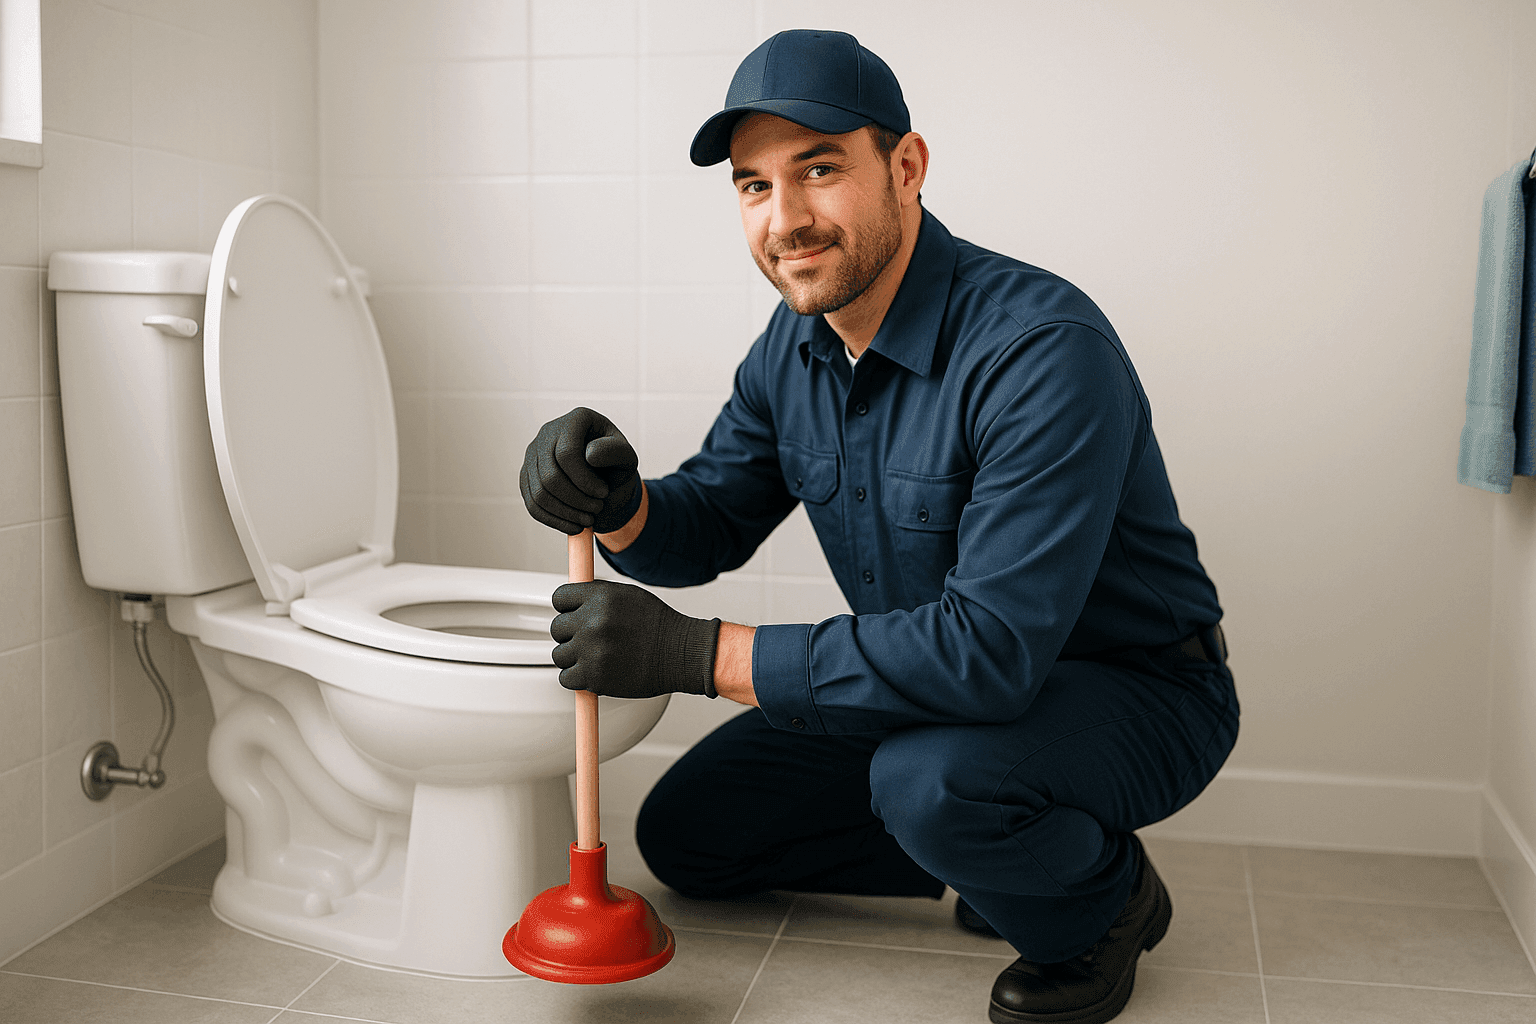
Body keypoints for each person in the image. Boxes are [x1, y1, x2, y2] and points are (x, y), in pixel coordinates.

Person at [519, 29, 1239, 1024]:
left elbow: (991, 652)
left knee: (929, 784)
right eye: (755, 185)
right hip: (933, 691)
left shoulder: (1041, 351)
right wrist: (618, 500)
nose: (786, 218)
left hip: (1136, 692)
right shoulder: (793, 347)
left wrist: (694, 654)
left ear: (906, 167)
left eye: (819, 170)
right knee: (691, 835)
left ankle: (1103, 902)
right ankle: (1008, 850)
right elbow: (713, 517)